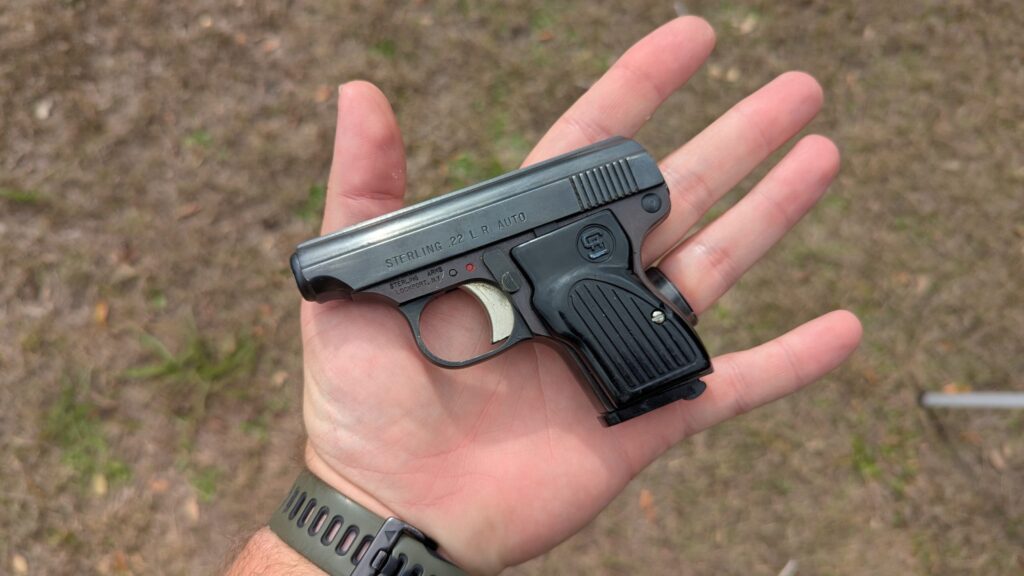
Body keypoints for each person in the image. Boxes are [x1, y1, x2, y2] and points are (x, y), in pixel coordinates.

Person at [226, 16, 862, 576]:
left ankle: (650, 381)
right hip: (566, 216)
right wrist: (366, 499)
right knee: (567, 296)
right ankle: (647, 378)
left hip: (569, 229)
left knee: (580, 301)